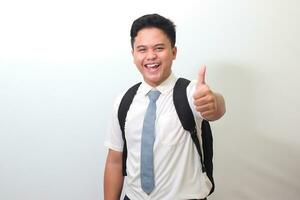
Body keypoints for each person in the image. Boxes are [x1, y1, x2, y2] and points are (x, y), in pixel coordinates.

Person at [104, 13, 226, 200]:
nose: (151, 56)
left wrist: (214, 102)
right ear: (133, 54)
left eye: (159, 48)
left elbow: (216, 109)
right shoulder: (123, 101)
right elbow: (114, 161)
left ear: (173, 52)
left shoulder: (190, 93)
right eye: (142, 49)